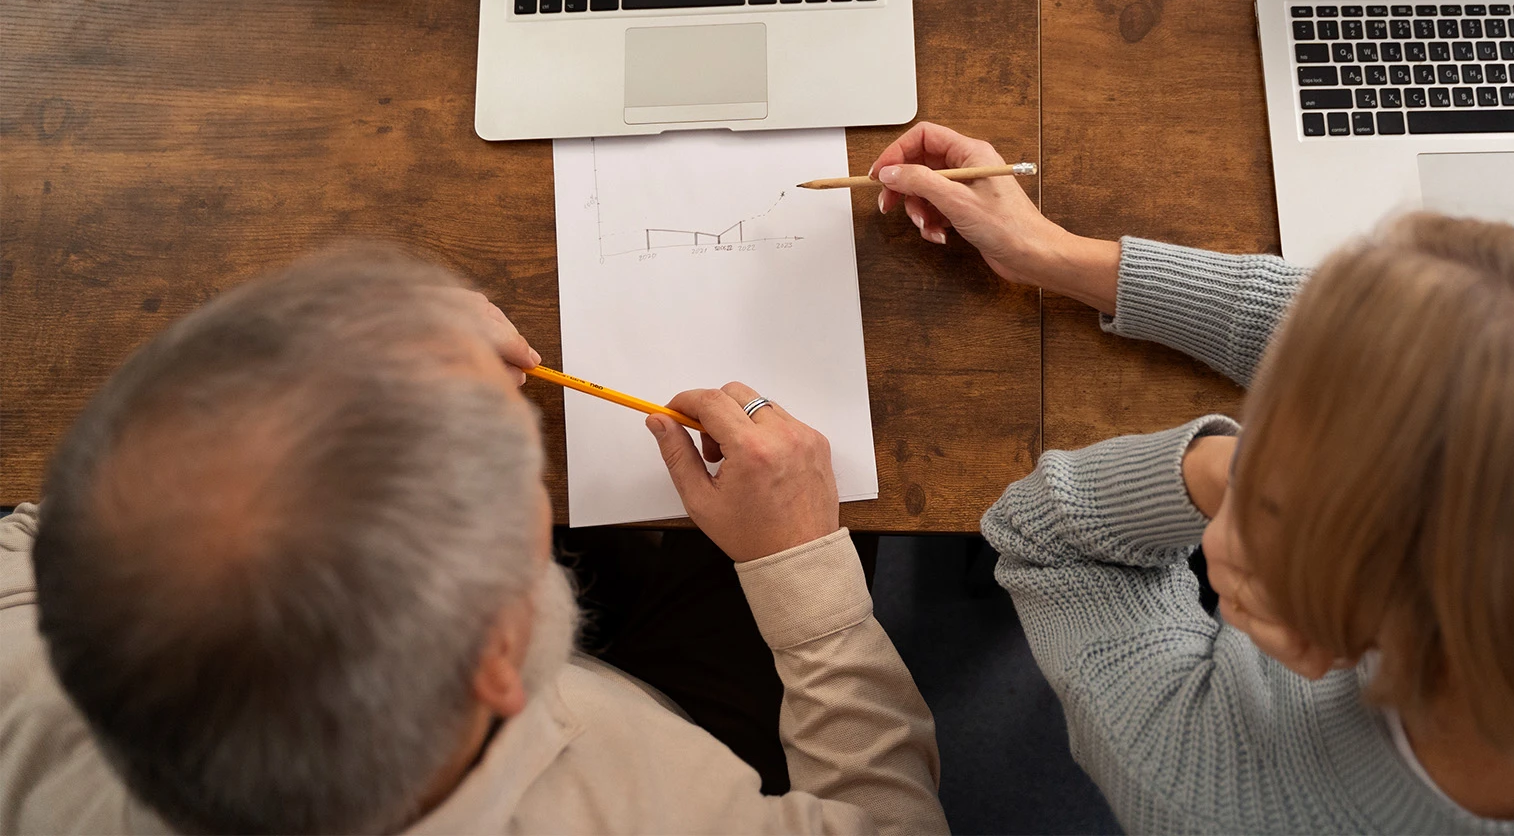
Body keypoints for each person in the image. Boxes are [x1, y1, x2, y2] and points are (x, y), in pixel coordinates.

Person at [869, 120, 1514, 834]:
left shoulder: (1218, 791)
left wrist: (1216, 467)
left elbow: (1044, 529)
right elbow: (1451, 352)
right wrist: (1068, 256)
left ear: (1310, 636)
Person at [0, 249, 945, 834]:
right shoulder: (657, 812)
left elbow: (80, 512)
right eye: (517, 478)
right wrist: (803, 574)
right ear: (501, 652)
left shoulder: (22, 680)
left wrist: (351, 356)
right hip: (670, 717)